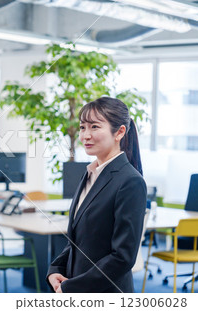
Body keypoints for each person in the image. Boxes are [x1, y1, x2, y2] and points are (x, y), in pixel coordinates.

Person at [47, 96, 147, 293]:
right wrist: (55, 270)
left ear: (119, 132)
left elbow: (122, 257)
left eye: (94, 127)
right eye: (83, 127)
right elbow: (78, 239)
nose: (85, 135)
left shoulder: (130, 181)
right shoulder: (90, 174)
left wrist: (72, 287)